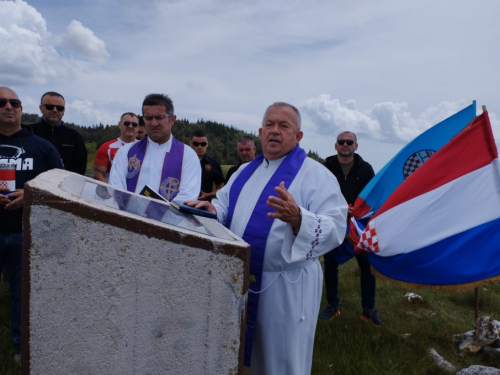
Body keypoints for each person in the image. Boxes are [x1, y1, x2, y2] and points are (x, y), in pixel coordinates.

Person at [186, 102, 347, 375]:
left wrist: (299, 219)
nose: (275, 131)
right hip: (240, 279)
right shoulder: (243, 171)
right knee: (234, 354)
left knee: (281, 360)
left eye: (284, 126)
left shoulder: (316, 175)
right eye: (269, 125)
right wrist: (213, 209)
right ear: (260, 132)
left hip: (286, 286)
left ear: (298, 136)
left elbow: (336, 226)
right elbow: (226, 206)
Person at [0, 87, 63, 361]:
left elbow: (60, 184)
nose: (8, 107)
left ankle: (19, 347)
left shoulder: (41, 146)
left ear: (22, 109)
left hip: (25, 232)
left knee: (21, 295)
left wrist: (31, 193)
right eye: (2, 102)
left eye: (15, 102)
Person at [321, 131, 384, 326]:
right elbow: (320, 194)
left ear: (356, 146)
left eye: (349, 142)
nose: (345, 145)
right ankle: (333, 305)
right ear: (336, 145)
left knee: (366, 267)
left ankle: (369, 309)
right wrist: (340, 210)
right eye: (341, 142)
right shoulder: (325, 168)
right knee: (330, 264)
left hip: (359, 226)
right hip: (335, 222)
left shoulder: (366, 168)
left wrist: (356, 210)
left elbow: (373, 196)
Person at [109, 94, 200, 202]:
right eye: (148, 118)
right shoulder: (126, 152)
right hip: (128, 216)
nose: (153, 123)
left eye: (159, 117)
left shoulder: (188, 155)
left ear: (172, 119)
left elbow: (188, 196)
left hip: (168, 218)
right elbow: (116, 188)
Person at [31, 91, 87, 175]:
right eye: (49, 107)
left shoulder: (74, 137)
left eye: (59, 108)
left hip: (64, 186)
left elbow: (80, 169)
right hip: (32, 185)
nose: (55, 110)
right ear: (41, 108)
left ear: (64, 111)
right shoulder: (29, 132)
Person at [92, 112, 139, 183]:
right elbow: (98, 174)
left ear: (138, 128)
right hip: (113, 192)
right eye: (126, 123)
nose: (130, 126)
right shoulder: (107, 147)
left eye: (134, 124)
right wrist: (111, 189)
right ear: (119, 125)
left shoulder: (145, 148)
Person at [189, 130, 224, 201]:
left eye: (203, 144)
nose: (199, 147)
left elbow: (220, 188)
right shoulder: (184, 161)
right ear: (190, 143)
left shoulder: (214, 164)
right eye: (196, 144)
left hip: (204, 206)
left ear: (207, 144)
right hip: (184, 203)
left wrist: (208, 195)